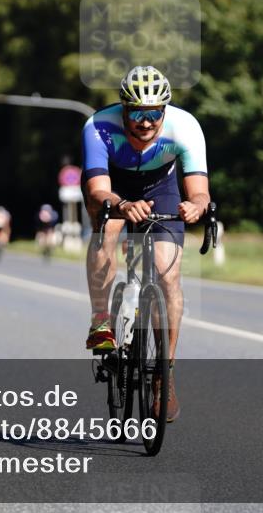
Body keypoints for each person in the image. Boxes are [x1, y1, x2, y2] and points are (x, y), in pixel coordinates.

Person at [82, 65, 210, 423]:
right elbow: (97, 190)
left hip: (160, 187)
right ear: (123, 108)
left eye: (153, 113)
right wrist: (121, 205)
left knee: (168, 275)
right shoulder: (98, 127)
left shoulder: (185, 127)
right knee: (106, 232)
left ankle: (163, 376)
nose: (145, 122)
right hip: (113, 186)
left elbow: (199, 189)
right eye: (136, 112)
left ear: (164, 111)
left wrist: (196, 205)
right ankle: (101, 320)